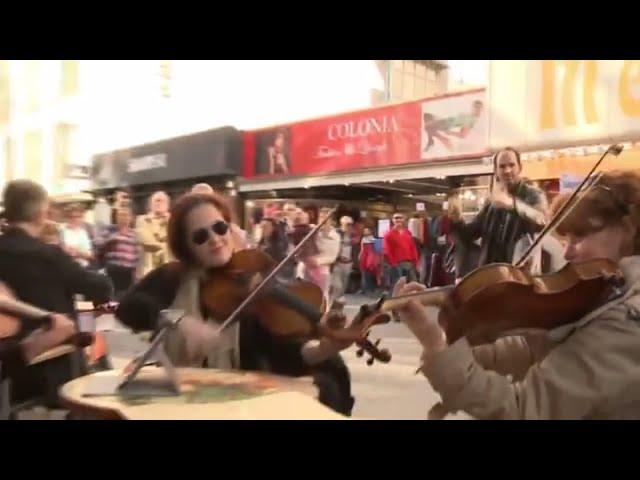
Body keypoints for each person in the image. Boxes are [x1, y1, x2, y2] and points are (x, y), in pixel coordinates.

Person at [394, 170, 640, 420]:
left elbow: (522, 409)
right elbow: (533, 347)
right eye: (566, 239)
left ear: (628, 230)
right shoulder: (606, 290)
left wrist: (437, 344)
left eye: (581, 236)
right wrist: (442, 343)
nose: (567, 254)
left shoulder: (626, 323)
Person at [115, 192, 355, 415]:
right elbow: (127, 309)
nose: (215, 239)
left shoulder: (251, 279)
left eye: (220, 228)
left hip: (237, 408)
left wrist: (325, 348)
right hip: (179, 407)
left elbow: (281, 351)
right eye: (200, 236)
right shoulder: (173, 278)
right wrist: (180, 321)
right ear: (186, 247)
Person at [0, 180, 112, 407]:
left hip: (9, 365)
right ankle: (93, 378)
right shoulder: (48, 255)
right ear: (42, 213)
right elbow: (102, 288)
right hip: (49, 366)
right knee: (88, 313)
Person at [451, 147, 548, 268]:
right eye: (502, 166)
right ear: (496, 171)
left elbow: (542, 220)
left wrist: (513, 205)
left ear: (520, 168)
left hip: (520, 273)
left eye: (512, 165)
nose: (507, 170)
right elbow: (471, 235)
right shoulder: (492, 201)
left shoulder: (533, 194)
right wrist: (456, 220)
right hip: (491, 273)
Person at [95, 207, 139, 300]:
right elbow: (97, 244)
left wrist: (135, 274)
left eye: (126, 215)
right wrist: (110, 239)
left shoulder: (134, 234)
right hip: (113, 271)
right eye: (120, 215)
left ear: (130, 218)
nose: (123, 218)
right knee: (111, 299)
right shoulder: (109, 230)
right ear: (116, 217)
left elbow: (136, 255)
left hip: (128, 272)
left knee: (125, 299)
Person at [300, 208, 340, 303]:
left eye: (326, 218)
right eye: (321, 217)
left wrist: (317, 261)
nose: (323, 220)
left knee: (321, 296)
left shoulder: (334, 236)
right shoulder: (311, 231)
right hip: (305, 268)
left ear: (331, 221)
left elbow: (332, 256)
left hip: (321, 270)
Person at [136, 191, 172, 277]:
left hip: (169, 271)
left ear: (168, 205)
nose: (159, 203)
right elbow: (146, 241)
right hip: (148, 272)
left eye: (162, 201)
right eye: (156, 201)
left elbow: (175, 240)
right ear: (150, 205)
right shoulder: (142, 220)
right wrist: (164, 245)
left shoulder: (173, 221)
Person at [383, 212, 419, 291]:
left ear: (404, 220)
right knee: (398, 286)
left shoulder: (407, 233)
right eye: (396, 218)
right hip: (397, 263)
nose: (398, 220)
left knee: (413, 284)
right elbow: (387, 250)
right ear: (392, 220)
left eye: (400, 218)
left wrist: (415, 261)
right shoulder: (388, 234)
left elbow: (412, 248)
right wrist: (393, 263)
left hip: (409, 263)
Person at [60, 203, 94, 268]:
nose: (75, 219)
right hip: (67, 266)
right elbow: (62, 250)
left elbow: (90, 254)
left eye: (78, 216)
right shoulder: (62, 231)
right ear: (67, 217)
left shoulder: (84, 232)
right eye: (71, 217)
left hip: (84, 266)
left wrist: (78, 252)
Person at [331, 216, 356, 302]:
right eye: (347, 224)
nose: (349, 226)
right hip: (337, 263)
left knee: (343, 286)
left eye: (351, 224)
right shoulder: (336, 233)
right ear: (342, 224)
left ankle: (338, 305)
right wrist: (337, 256)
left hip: (347, 264)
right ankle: (333, 304)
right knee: (337, 286)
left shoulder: (352, 234)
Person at [358, 227, 378, 295]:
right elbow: (362, 248)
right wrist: (360, 255)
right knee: (364, 272)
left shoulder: (374, 239)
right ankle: (364, 288)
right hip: (364, 255)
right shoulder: (363, 239)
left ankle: (371, 288)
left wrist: (375, 259)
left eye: (367, 231)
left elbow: (377, 250)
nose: (365, 232)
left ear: (371, 231)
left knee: (371, 272)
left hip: (371, 256)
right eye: (364, 231)